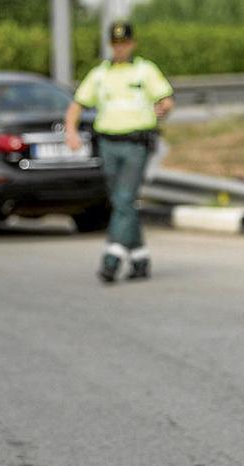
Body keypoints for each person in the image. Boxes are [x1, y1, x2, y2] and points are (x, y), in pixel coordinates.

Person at [64, 21, 175, 283]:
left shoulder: (144, 70)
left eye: (124, 43)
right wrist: (70, 131)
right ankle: (139, 257)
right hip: (108, 143)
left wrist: (164, 109)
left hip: (136, 144)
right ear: (110, 46)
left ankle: (112, 257)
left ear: (132, 44)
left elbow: (166, 100)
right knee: (120, 201)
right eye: (116, 44)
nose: (120, 48)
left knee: (125, 199)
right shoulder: (101, 74)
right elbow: (77, 104)